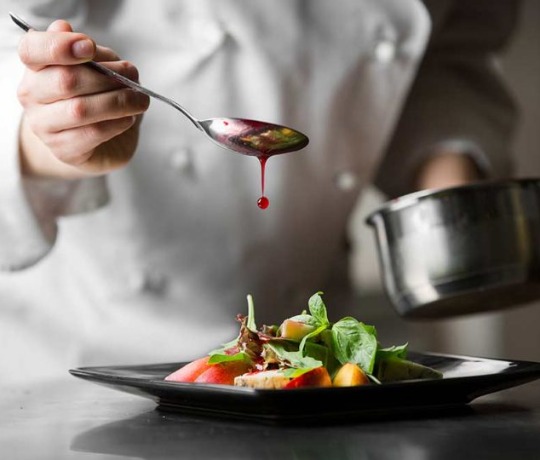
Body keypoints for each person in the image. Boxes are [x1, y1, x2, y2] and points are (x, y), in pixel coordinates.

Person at [0, 0, 519, 384]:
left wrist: (451, 194)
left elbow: (447, 51)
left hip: (312, 359)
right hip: (82, 362)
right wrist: (56, 135)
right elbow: (25, 46)